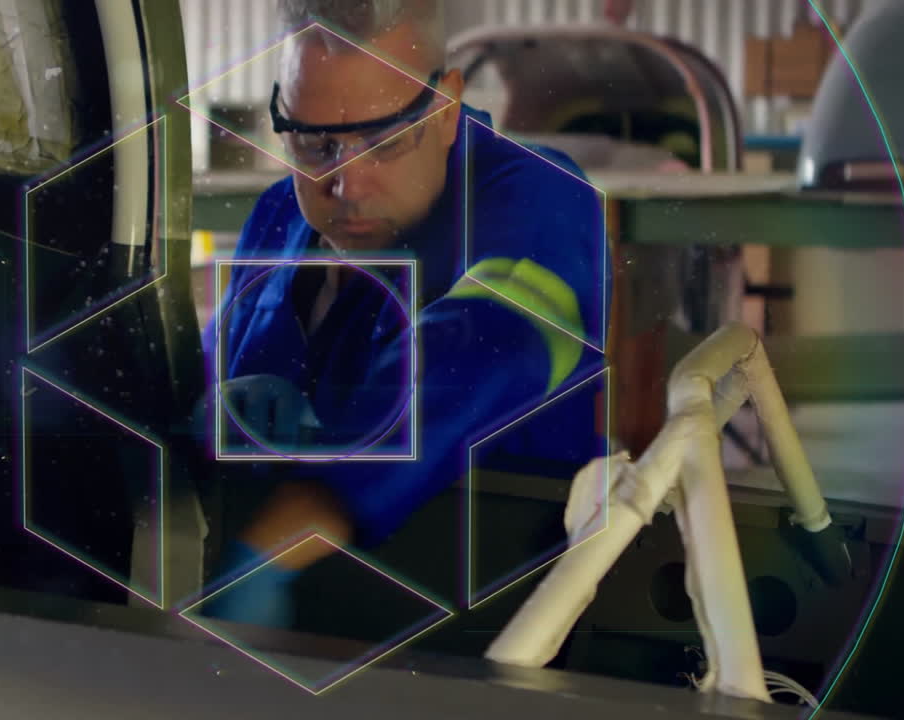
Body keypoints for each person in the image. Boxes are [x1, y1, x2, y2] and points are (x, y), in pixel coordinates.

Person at [198, 0, 608, 628]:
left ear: (444, 108)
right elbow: (203, 375)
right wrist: (206, 405)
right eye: (314, 143)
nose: (347, 182)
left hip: (481, 614)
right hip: (284, 622)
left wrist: (276, 542)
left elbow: (490, 348)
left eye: (385, 140)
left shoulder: (535, 201)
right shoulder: (281, 216)